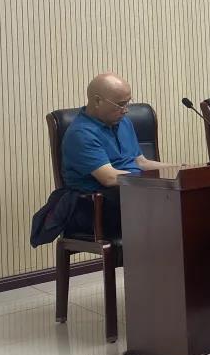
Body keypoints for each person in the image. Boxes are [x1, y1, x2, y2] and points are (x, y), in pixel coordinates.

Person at [61, 73, 165, 237]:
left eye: (128, 102)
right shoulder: (81, 133)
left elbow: (141, 163)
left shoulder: (123, 122)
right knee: (170, 206)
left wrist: (181, 169)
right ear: (97, 101)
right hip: (98, 205)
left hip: (132, 193)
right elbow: (109, 178)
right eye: (121, 104)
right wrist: (158, 181)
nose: (126, 110)